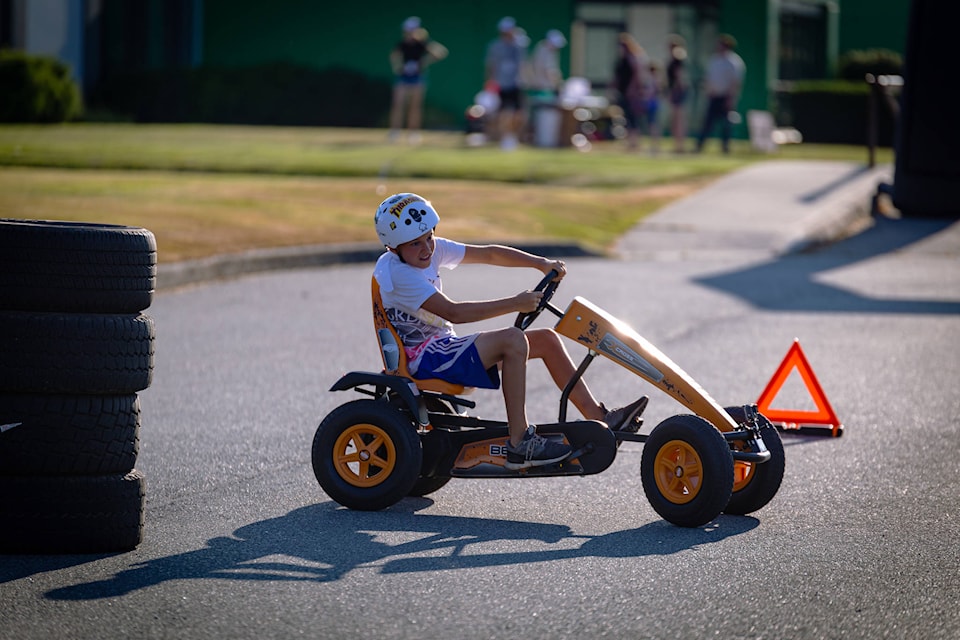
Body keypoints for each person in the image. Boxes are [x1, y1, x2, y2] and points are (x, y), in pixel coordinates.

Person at [372, 193, 648, 470]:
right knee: (513, 340)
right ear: (393, 248)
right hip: (424, 357)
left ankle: (599, 419)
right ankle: (520, 442)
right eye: (415, 244)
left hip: (444, 347)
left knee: (547, 340)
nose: (426, 248)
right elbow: (454, 313)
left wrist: (540, 263)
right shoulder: (398, 274)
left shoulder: (430, 252)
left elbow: (489, 253)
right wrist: (515, 303)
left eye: (429, 237)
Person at [388, 16, 448, 144]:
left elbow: (441, 52)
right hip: (403, 77)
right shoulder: (402, 44)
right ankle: (394, 132)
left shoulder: (423, 43)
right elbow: (394, 56)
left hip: (417, 77)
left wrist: (424, 61)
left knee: (415, 106)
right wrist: (398, 67)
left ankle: (413, 133)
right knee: (398, 104)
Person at [696, 33, 745, 154]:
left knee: (726, 124)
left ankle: (725, 147)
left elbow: (735, 82)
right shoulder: (714, 60)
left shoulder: (734, 62)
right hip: (714, 95)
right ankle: (700, 145)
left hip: (726, 96)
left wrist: (731, 97)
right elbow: (709, 77)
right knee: (707, 123)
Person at [485, 17, 527, 150]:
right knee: (503, 112)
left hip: (517, 83)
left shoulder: (518, 44)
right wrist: (490, 81)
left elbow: (523, 63)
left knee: (518, 114)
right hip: (501, 84)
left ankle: (512, 136)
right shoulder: (496, 46)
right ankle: (504, 138)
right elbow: (491, 65)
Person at [611, 33, 649, 151]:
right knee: (626, 116)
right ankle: (629, 141)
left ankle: (634, 142)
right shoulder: (621, 60)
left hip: (630, 93)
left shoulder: (631, 59)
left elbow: (636, 76)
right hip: (622, 91)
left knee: (632, 117)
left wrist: (632, 90)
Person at [665, 34, 690, 153]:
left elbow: (679, 78)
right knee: (676, 120)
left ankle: (680, 146)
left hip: (678, 92)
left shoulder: (677, 59)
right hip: (678, 92)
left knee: (678, 120)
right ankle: (678, 144)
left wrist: (673, 92)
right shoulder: (676, 59)